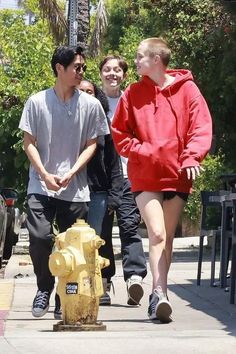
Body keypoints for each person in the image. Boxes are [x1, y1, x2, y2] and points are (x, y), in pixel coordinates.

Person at [111, 38, 212, 322]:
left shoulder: (188, 89)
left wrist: (192, 156)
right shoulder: (132, 93)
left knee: (165, 239)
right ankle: (161, 293)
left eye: (140, 56)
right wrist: (143, 151)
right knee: (155, 234)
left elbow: (201, 126)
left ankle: (158, 293)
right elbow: (120, 132)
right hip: (145, 174)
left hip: (177, 175)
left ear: (156, 59)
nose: (136, 60)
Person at [19, 46, 109, 318]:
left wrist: (72, 171)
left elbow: (92, 144)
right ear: (60, 68)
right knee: (39, 238)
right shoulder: (36, 102)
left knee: (72, 246)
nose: (81, 72)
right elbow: (28, 143)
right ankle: (44, 288)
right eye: (77, 67)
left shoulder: (91, 105)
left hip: (75, 187)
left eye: (83, 67)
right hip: (40, 184)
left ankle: (63, 295)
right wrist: (45, 174)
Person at [99, 55, 147, 306]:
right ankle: (104, 281)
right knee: (102, 231)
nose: (112, 74)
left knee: (130, 226)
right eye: (107, 69)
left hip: (129, 175)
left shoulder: (133, 101)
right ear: (100, 74)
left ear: (124, 75)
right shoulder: (94, 101)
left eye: (117, 70)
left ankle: (135, 278)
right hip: (103, 179)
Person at [78, 80, 124, 304]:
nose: (86, 95)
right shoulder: (70, 122)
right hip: (72, 191)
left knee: (98, 241)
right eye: (82, 91)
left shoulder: (105, 125)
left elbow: (114, 164)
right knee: (76, 242)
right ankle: (77, 284)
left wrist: (114, 196)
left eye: (90, 92)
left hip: (99, 193)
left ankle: (102, 284)